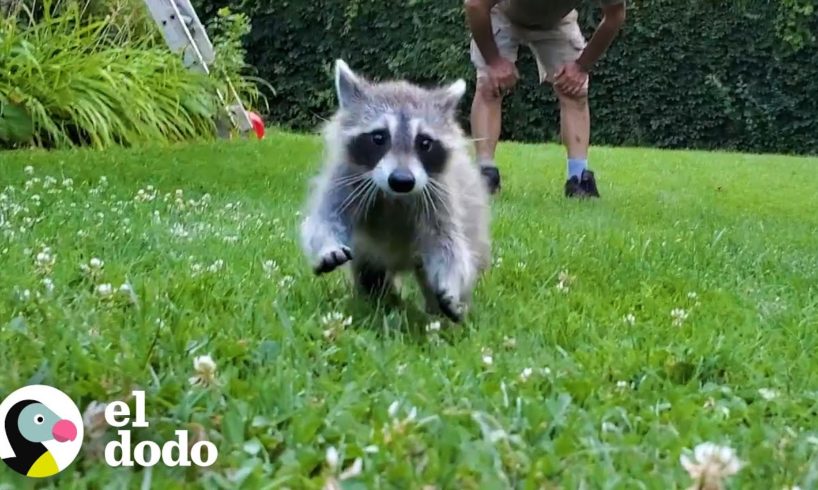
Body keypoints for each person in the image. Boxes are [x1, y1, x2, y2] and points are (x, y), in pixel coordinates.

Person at [464, 0, 627, 197]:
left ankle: (579, 179)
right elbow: (475, 5)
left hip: (556, 23)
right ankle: (485, 172)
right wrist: (494, 61)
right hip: (501, 14)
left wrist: (582, 66)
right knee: (490, 85)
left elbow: (615, 15)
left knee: (575, 91)